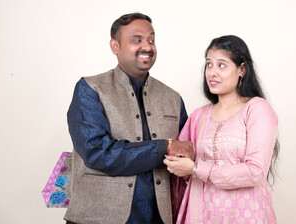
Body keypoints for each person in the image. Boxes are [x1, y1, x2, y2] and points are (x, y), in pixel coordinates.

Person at [64, 13, 194, 224]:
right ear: (115, 46)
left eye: (151, 40)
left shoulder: (172, 97)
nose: (147, 47)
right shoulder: (90, 89)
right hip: (99, 216)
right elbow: (98, 152)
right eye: (137, 40)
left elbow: (186, 154)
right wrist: (165, 147)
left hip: (158, 217)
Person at [164, 35, 280, 223]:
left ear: (241, 69)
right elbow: (179, 163)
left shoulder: (257, 109)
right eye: (209, 64)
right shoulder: (198, 116)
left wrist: (196, 168)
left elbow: (256, 172)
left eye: (221, 65)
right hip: (202, 214)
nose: (212, 72)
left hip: (247, 214)